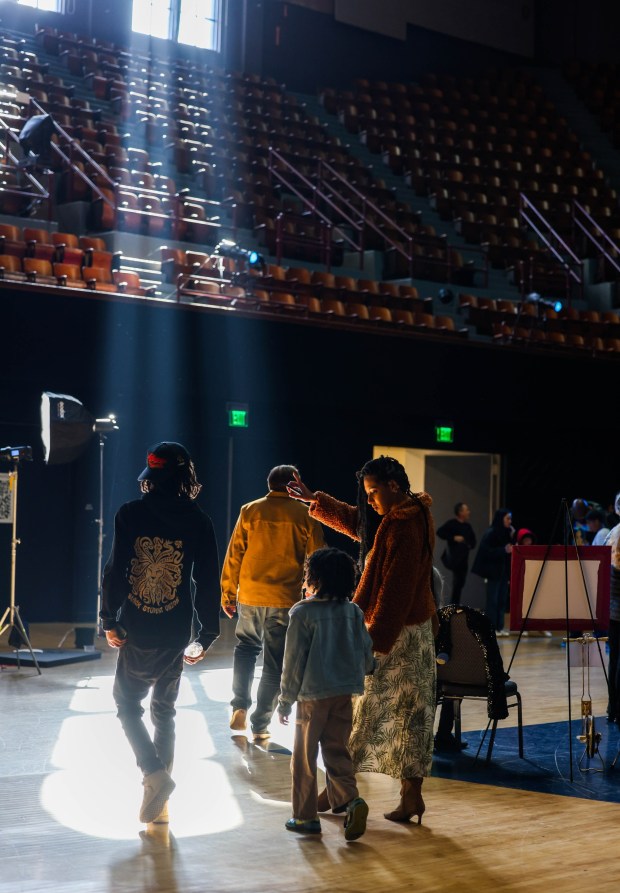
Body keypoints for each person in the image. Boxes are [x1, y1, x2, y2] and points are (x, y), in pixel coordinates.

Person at [287, 455, 437, 824]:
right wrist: (315, 501)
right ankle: (406, 795)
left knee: (361, 716)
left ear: (393, 486)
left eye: (373, 493)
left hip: (396, 636)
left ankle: (344, 791)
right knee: (408, 717)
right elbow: (360, 523)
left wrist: (369, 643)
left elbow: (395, 593)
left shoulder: (404, 526)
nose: (369, 500)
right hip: (410, 632)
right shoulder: (402, 515)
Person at [100, 441, 220, 825]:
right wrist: (207, 634)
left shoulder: (130, 513)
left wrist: (108, 619)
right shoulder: (198, 520)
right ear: (185, 476)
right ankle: (161, 802)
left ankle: (153, 775)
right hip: (174, 631)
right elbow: (207, 581)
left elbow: (116, 570)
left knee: (126, 705)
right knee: (164, 712)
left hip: (136, 628)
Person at [221, 464, 325, 740]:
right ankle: (260, 724)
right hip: (285, 598)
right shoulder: (306, 514)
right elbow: (317, 558)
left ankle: (240, 705)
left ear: (268, 483)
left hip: (251, 595)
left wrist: (228, 593)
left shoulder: (250, 510)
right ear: (295, 483)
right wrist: (314, 594)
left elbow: (234, 555)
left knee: (245, 649)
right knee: (274, 662)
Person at [278, 547, 375, 838]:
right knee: (336, 751)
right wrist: (369, 668)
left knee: (304, 757)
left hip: (312, 697)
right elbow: (365, 651)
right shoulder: (353, 611)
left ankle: (305, 817)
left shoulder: (303, 612)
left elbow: (293, 661)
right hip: (345, 693)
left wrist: (284, 700)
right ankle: (351, 799)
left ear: (314, 577)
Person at [471, 508, 514, 636]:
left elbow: (509, 550)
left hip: (503, 572)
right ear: (501, 519)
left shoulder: (507, 533)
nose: (510, 521)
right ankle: (491, 628)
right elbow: (485, 552)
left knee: (502, 600)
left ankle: (500, 627)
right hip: (493, 572)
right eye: (508, 518)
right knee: (492, 601)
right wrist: (502, 550)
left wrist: (512, 536)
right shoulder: (491, 533)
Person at [436, 502, 477, 606]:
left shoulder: (468, 526)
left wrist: (467, 544)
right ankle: (453, 608)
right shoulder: (452, 523)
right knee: (457, 584)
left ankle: (454, 606)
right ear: (460, 512)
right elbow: (440, 532)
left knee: (460, 584)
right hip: (454, 559)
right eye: (466, 510)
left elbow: (473, 542)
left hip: (463, 559)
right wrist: (453, 537)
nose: (469, 512)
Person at [605, 493, 620, 726]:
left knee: (615, 657)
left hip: (613, 607)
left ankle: (613, 708)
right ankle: (616, 707)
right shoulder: (617, 534)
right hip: (617, 606)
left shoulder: (612, 531)